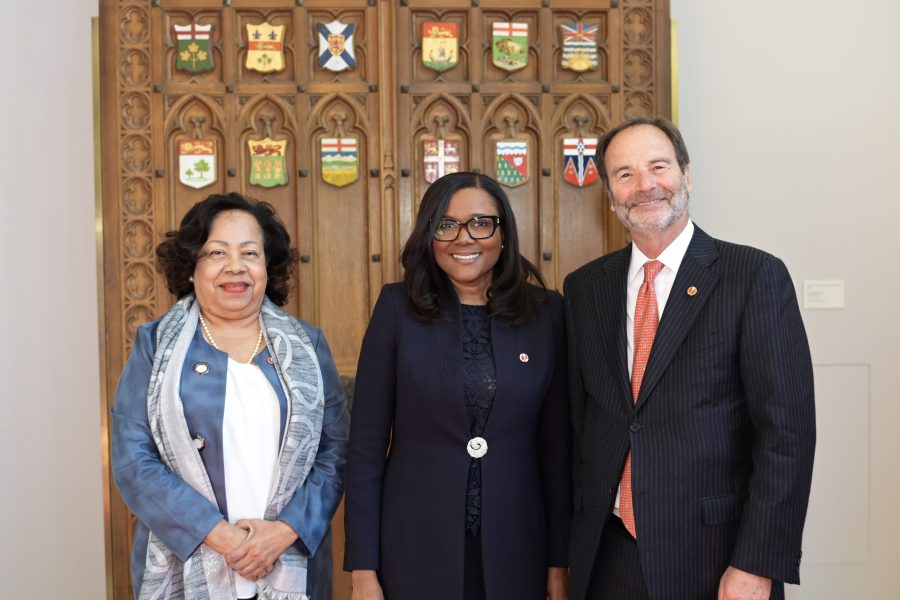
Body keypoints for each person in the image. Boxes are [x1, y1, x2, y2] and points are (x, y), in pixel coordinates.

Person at [564, 117, 816, 600]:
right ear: (611, 194)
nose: (645, 185)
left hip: (716, 559)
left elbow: (787, 437)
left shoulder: (753, 277)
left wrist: (756, 564)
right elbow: (581, 427)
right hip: (607, 557)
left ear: (686, 175)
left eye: (658, 166)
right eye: (625, 174)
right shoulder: (585, 288)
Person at [344, 172, 571, 599]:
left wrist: (557, 566)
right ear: (429, 236)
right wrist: (363, 569)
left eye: (481, 223)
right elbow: (366, 450)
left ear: (503, 232)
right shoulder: (397, 308)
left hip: (517, 546)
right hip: (414, 546)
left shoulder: (546, 312)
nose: (463, 239)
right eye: (445, 225)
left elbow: (556, 451)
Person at [111, 193, 349, 600]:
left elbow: (335, 452)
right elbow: (134, 460)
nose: (235, 266)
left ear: (266, 266)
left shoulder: (308, 346)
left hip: (289, 564)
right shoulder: (153, 346)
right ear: (191, 268)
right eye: (216, 252)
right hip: (189, 561)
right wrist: (223, 538)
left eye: (250, 253)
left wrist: (283, 532)